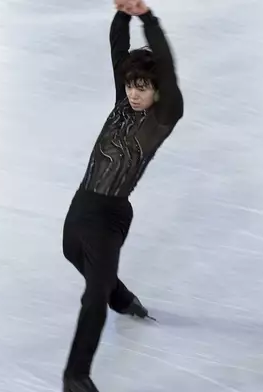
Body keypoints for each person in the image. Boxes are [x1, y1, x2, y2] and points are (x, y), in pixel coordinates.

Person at [61, 0, 183, 390]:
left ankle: (76, 375)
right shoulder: (123, 103)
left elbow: (165, 62)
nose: (133, 92)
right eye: (131, 84)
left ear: (158, 90)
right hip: (82, 204)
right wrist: (122, 13)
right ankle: (122, 297)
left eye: (143, 87)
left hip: (110, 215)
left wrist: (146, 17)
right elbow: (117, 45)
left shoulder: (163, 117)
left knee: (93, 294)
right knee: (72, 253)